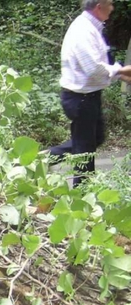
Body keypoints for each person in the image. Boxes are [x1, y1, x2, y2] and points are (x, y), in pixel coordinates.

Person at [48, 0, 131, 185]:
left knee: (96, 139)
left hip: (89, 96)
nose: (112, 8)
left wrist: (121, 75)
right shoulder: (82, 31)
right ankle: (82, 195)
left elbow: (97, 68)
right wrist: (122, 71)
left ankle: (47, 158)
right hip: (80, 98)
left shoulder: (92, 28)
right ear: (99, 6)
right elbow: (92, 68)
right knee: (84, 151)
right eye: (110, 4)